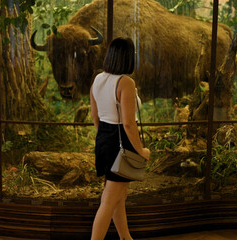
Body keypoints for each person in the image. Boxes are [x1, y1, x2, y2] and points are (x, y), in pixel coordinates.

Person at [90, 37, 151, 240]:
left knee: (119, 197)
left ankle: (126, 237)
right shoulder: (126, 82)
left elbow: (95, 116)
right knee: (109, 200)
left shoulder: (98, 79)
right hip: (121, 141)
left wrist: (104, 139)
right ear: (128, 57)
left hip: (104, 139)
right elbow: (128, 124)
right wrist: (141, 151)